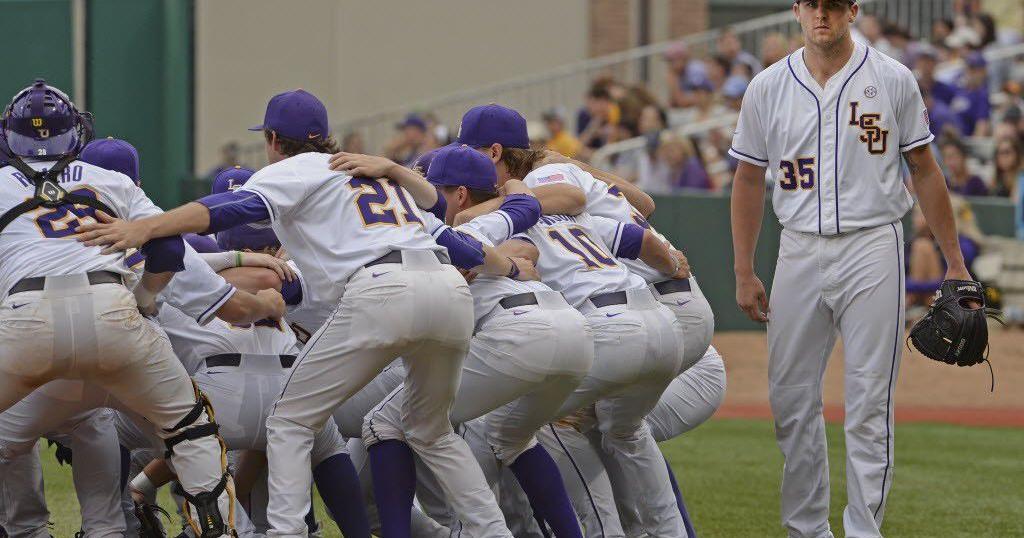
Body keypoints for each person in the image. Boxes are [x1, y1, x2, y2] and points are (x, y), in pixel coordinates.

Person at [74, 88, 531, 536]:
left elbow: (223, 211)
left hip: (384, 289)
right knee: (431, 430)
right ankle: (493, 531)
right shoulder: (368, 171)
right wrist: (506, 262)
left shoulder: (297, 168)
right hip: (448, 291)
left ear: (273, 140)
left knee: (290, 421)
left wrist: (146, 226)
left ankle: (287, 531)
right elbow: (445, 225)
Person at [729, 2, 973, 537]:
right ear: (796, 9)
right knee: (791, 402)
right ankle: (806, 530)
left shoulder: (892, 78)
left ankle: (864, 531)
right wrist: (744, 269)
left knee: (868, 404)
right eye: (813, 3)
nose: (823, 14)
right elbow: (748, 178)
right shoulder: (767, 87)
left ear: (852, 10)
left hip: (873, 245)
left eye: (834, 4)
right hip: (797, 247)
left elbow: (925, 170)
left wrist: (954, 261)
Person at [0, 79, 245, 536]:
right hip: (113, 313)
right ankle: (216, 531)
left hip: (26, 318)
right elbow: (170, 248)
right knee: (189, 429)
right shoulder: (109, 181)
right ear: (75, 133)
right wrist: (145, 301)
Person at [951, 52, 992, 137]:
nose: (970, 72)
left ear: (983, 72)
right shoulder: (957, 88)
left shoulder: (981, 95)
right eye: (969, 68)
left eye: (974, 69)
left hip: (964, 142)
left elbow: (982, 126)